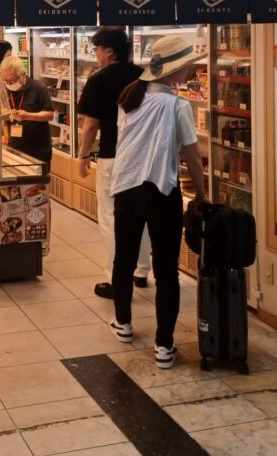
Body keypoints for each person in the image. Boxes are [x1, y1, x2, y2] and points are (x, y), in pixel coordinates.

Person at [107, 35, 209, 370]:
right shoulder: (177, 106)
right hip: (162, 190)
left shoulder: (129, 98)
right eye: (187, 67)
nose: (190, 71)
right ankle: (164, 344)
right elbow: (191, 157)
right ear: (173, 71)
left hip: (126, 186)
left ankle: (123, 323)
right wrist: (203, 195)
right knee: (166, 270)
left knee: (124, 258)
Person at [76, 27, 150, 300]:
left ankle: (115, 278)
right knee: (140, 214)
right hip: (142, 156)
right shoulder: (143, 76)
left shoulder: (99, 79)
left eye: (96, 49)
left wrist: (83, 155)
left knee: (111, 217)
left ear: (109, 50)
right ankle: (141, 271)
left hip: (113, 156)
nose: (95, 54)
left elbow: (90, 126)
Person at [0, 55, 53, 165]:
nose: (9, 84)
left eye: (12, 80)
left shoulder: (38, 88)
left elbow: (49, 115)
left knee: (37, 176)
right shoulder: (5, 90)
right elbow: (3, 117)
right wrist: (3, 135)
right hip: (14, 147)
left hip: (38, 150)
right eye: (5, 80)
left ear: (23, 74)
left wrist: (27, 116)